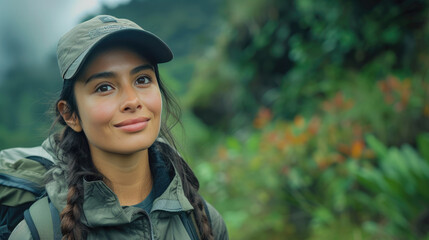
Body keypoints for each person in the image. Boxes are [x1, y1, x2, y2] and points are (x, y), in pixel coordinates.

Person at [8, 15, 228, 240]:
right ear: (71, 115)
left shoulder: (203, 221)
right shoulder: (39, 233)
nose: (132, 101)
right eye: (104, 87)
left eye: (142, 80)